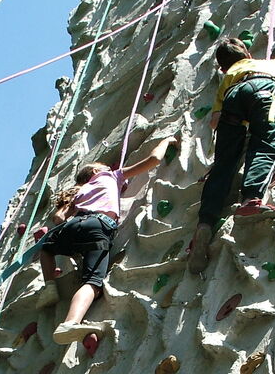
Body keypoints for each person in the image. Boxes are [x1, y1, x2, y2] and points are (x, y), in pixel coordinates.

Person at [36, 135, 180, 344]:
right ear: (96, 171)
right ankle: (70, 323)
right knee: (92, 282)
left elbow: (58, 218)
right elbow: (153, 160)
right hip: (98, 225)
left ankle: (49, 287)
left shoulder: (79, 192)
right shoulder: (111, 176)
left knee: (47, 248)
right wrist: (166, 141)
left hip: (73, 224)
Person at [189, 38, 275, 273]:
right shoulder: (265, 64)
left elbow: (214, 121)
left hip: (232, 98)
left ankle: (204, 225)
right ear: (248, 55)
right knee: (265, 144)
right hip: (262, 88)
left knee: (222, 167)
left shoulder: (228, 76)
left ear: (222, 67)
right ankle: (251, 200)